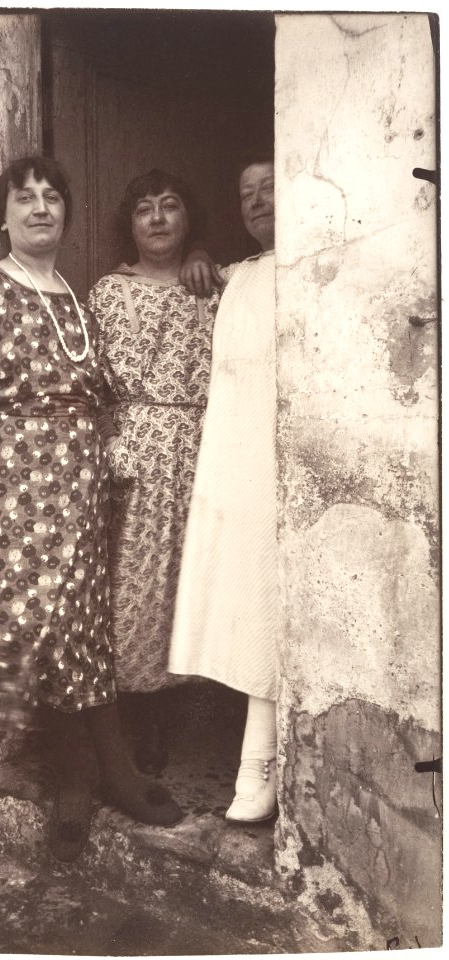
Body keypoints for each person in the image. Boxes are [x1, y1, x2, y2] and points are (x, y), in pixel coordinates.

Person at [0, 156, 183, 863]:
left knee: (83, 623)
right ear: (2, 216)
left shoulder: (76, 298)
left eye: (51, 198)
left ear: (65, 213)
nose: (40, 208)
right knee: (35, 623)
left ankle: (86, 775)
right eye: (24, 198)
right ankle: (93, 769)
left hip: (81, 486)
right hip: (17, 487)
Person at [87, 170, 217, 774]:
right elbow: (86, 381)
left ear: (188, 221)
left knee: (186, 585)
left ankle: (174, 715)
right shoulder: (108, 292)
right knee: (126, 586)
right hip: (128, 451)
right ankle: (128, 720)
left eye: (170, 206)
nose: (158, 218)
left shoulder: (213, 285)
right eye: (145, 210)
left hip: (203, 451)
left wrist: (204, 260)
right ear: (130, 225)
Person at [169, 155, 278, 823]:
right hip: (237, 459)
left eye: (272, 187)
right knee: (244, 600)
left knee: (274, 599)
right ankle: (256, 758)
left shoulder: (318, 268)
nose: (260, 201)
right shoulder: (237, 276)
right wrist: (202, 256)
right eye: (248, 194)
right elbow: (208, 278)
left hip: (284, 460)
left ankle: (260, 763)